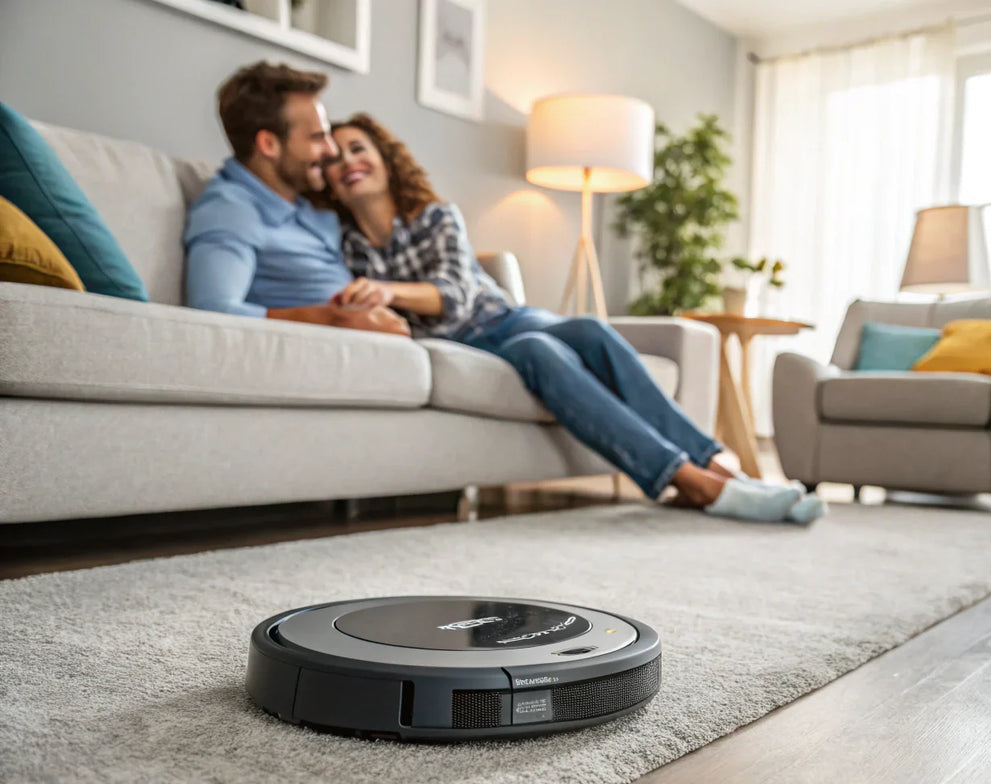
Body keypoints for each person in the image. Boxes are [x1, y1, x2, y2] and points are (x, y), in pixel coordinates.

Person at [321, 113, 827, 524]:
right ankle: (693, 483)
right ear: (330, 184)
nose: (348, 162)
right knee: (539, 352)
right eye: (335, 157)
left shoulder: (436, 216)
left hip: (505, 318)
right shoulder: (346, 247)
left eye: (358, 148)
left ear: (386, 159)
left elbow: (454, 296)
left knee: (588, 329)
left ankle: (722, 467)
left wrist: (387, 291)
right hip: (468, 346)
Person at [183, 61, 409, 337]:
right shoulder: (230, 209)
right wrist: (333, 319)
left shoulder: (304, 202)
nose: (331, 150)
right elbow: (211, 313)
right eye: (318, 137)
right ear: (269, 145)